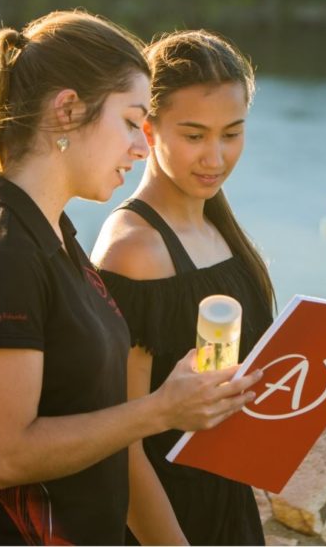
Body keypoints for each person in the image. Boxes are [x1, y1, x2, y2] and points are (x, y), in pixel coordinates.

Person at [0, 11, 262, 546]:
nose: (139, 146)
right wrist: (159, 410)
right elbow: (8, 456)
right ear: (67, 111)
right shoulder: (1, 256)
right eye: (131, 122)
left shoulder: (53, 237)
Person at [90, 30, 275, 546]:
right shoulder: (135, 251)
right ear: (147, 130)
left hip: (229, 509)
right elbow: (118, 442)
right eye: (194, 136)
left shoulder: (219, 229)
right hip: (163, 525)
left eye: (231, 133)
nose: (215, 157)